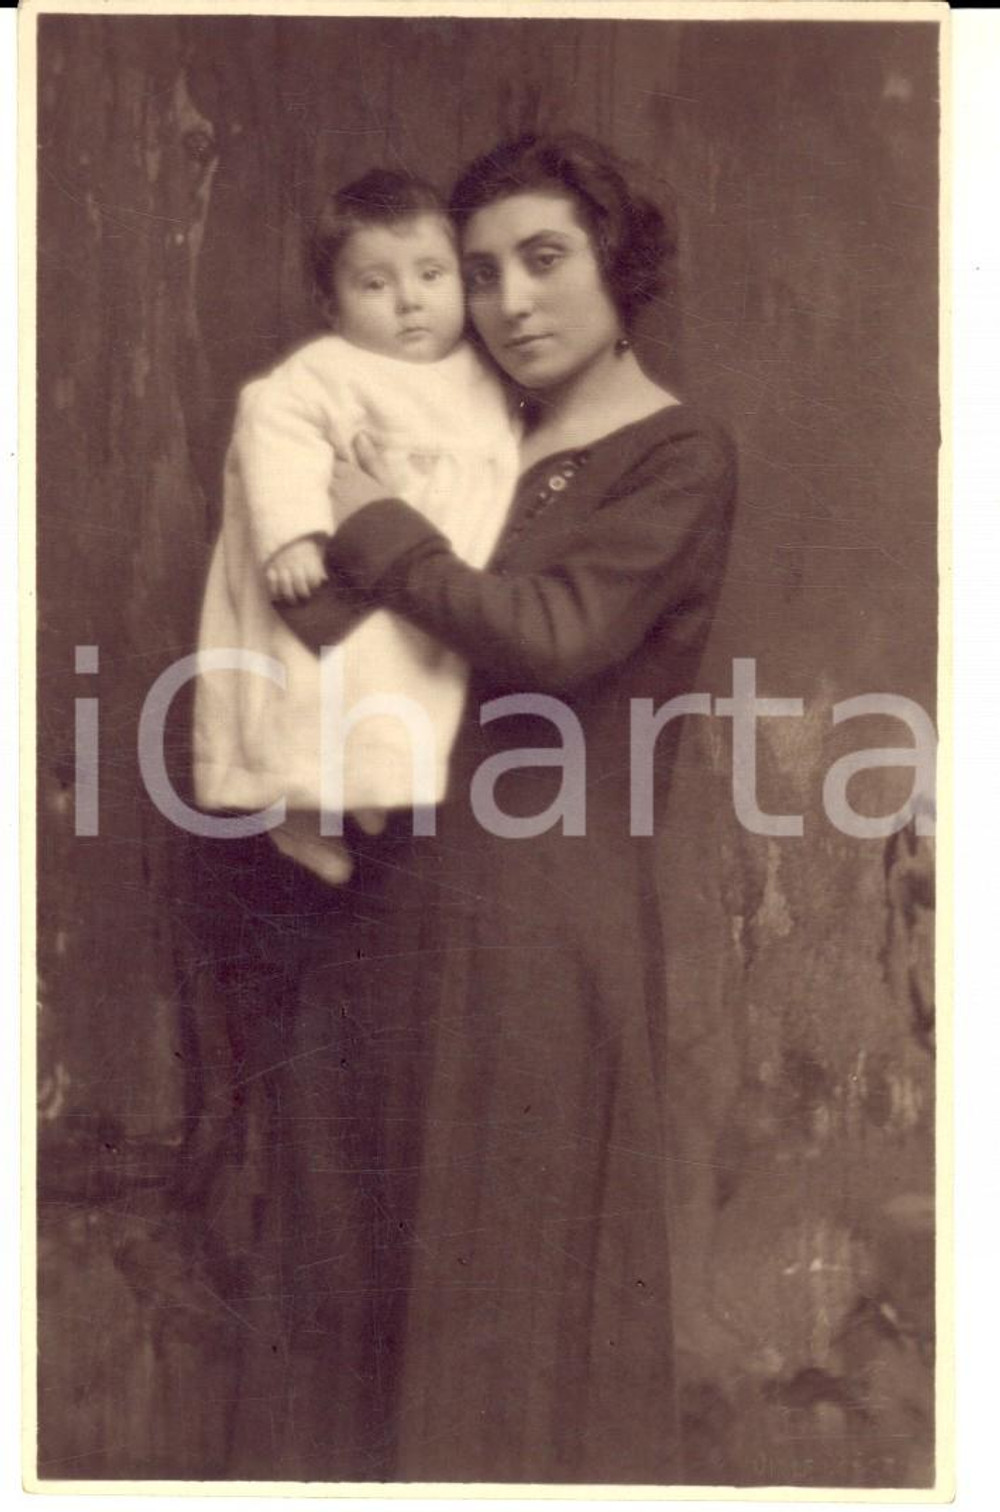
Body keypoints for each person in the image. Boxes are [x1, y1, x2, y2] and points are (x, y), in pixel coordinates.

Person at [231, 132, 737, 1485]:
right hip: (388, 901)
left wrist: (379, 521)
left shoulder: (672, 453)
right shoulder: (468, 428)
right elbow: (333, 619)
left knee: (504, 1306)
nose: (509, 301)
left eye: (545, 259)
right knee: (354, 1290)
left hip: (537, 922)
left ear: (617, 263)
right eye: (480, 272)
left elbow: (554, 638)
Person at [192, 169, 519, 884]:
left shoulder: (483, 377)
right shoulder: (329, 370)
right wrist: (292, 533)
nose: (409, 301)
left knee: (399, 694)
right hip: (329, 570)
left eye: (431, 274)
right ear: (331, 304)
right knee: (307, 694)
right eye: (374, 284)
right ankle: (293, 809)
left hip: (417, 576)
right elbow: (272, 427)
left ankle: (369, 790)